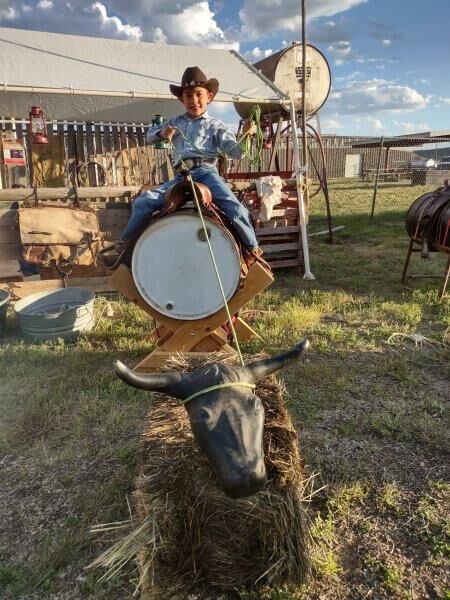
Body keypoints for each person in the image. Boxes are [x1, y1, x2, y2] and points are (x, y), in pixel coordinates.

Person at [118, 66, 259, 253]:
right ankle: (124, 248)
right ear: (182, 99)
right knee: (142, 203)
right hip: (181, 176)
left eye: (198, 94)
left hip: (207, 173)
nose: (194, 100)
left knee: (237, 209)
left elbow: (237, 153)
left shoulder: (216, 126)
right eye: (188, 95)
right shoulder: (175, 122)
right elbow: (150, 135)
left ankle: (253, 252)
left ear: (209, 96)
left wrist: (247, 135)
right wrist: (162, 132)